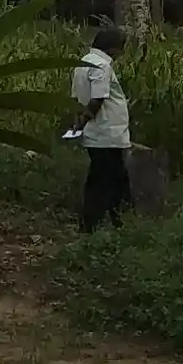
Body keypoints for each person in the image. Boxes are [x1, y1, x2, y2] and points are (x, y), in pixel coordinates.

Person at [71, 21, 133, 231]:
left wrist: (78, 123)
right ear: (113, 48)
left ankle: (115, 221)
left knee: (110, 177)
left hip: (98, 134)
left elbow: (78, 99)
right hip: (107, 133)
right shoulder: (102, 66)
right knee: (107, 180)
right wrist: (83, 122)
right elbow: (97, 99)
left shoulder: (83, 63)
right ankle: (100, 224)